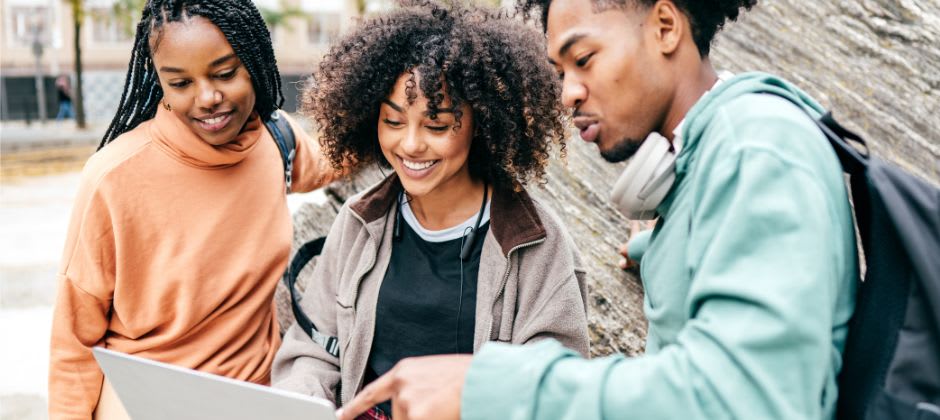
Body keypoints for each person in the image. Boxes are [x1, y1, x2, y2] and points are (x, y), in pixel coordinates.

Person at [336, 0, 859, 419]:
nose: (567, 93)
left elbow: (749, 400)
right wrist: (654, 247)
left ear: (664, 26)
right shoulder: (713, 170)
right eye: (558, 70)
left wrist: (486, 388)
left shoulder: (757, 150)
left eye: (583, 59)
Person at [272, 2, 590, 418]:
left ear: (484, 122)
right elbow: (312, 352)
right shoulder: (359, 221)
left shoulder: (537, 245)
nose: (411, 144)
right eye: (393, 121)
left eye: (437, 125)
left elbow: (555, 390)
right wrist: (308, 402)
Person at [48, 1, 339, 418]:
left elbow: (347, 156)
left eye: (224, 73)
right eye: (181, 83)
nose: (208, 98)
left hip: (256, 399)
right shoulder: (113, 177)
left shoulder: (276, 142)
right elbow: (74, 338)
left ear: (254, 60)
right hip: (144, 402)